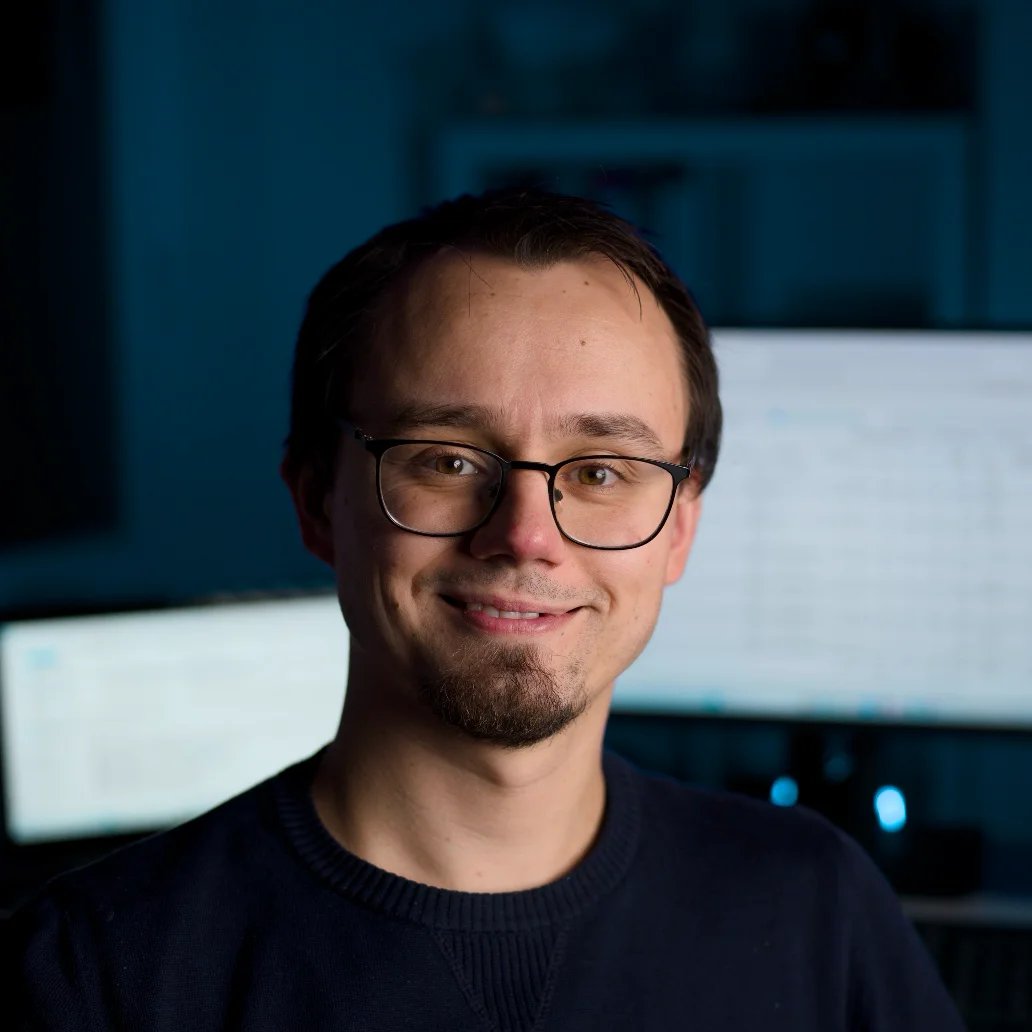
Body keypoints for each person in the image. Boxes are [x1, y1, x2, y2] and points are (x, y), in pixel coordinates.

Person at [8, 188, 964, 1030]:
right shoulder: (94, 974)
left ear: (680, 529)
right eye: (446, 460)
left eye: (600, 472)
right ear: (315, 501)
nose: (525, 535)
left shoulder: (816, 909)